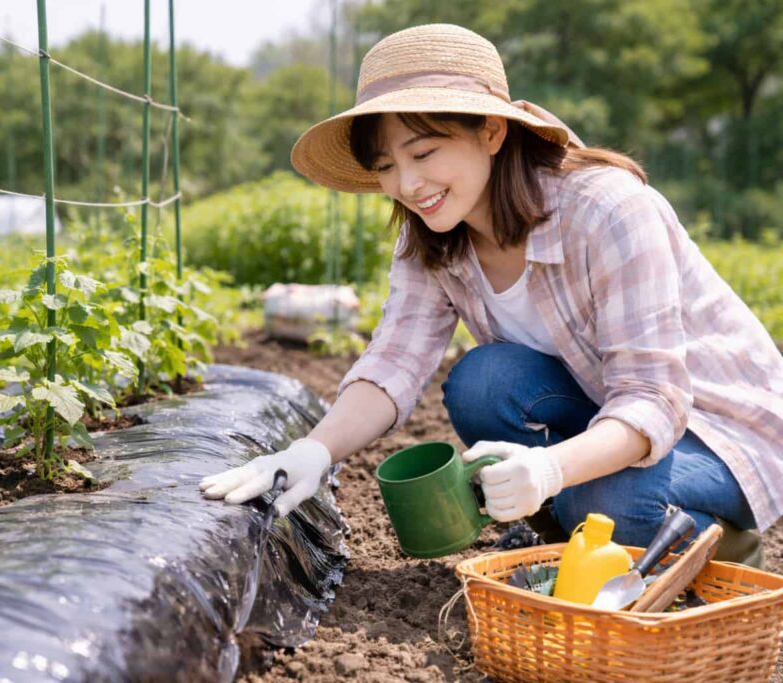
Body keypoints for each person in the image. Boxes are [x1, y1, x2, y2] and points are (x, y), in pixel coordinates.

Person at [199, 24, 782, 565]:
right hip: (608, 408)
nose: (407, 185)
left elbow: (654, 398)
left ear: (492, 131)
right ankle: (585, 528)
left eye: (423, 153)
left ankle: (727, 547)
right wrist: (313, 451)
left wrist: (552, 469)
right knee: (484, 382)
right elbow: (396, 359)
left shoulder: (608, 211)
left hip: (719, 428)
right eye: (386, 166)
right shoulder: (433, 237)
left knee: (602, 503)